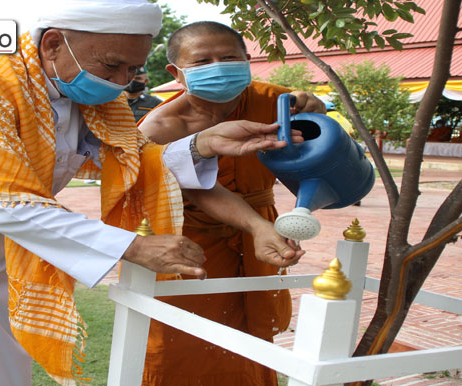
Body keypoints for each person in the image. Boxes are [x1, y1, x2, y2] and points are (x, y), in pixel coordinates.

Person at [0, 2, 304, 385]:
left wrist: (204, 143)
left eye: (132, 69)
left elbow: (134, 161)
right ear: (53, 44)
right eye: (113, 65)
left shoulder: (90, 92)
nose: (123, 81)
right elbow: (11, 202)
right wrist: (132, 246)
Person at [137, 21, 324, 386]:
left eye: (228, 58)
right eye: (202, 61)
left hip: (261, 226)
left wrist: (314, 109)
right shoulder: (160, 127)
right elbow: (197, 188)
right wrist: (257, 226)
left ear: (247, 61)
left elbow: (318, 142)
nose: (217, 67)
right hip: (191, 238)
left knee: (251, 335)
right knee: (182, 335)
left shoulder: (276, 102)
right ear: (176, 73)